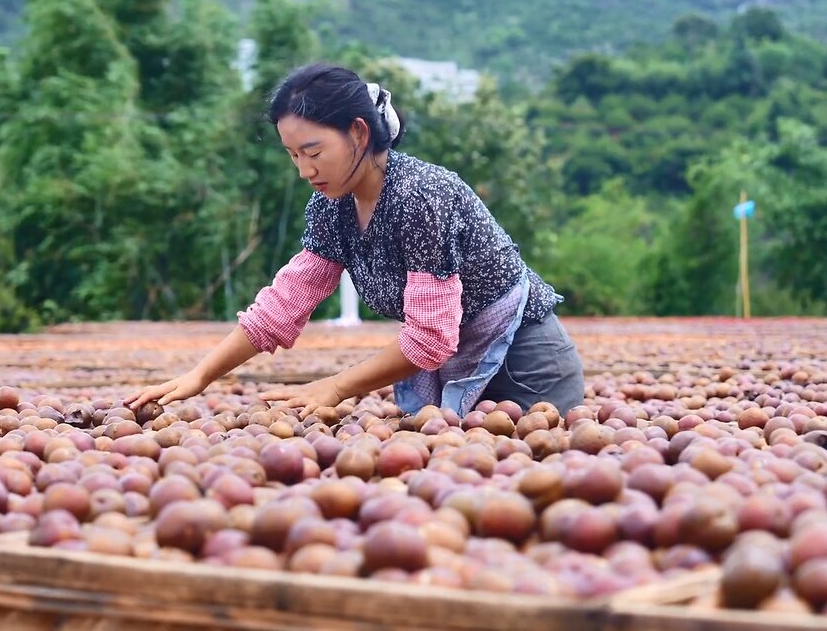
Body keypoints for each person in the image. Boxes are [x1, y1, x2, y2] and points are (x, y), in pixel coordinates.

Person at [124, 63, 584, 418]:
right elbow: (282, 308)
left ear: (358, 133)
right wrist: (200, 375)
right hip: (451, 369)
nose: (304, 171)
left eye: (313, 152)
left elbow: (428, 339)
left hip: (525, 368)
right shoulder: (332, 205)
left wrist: (336, 386)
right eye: (292, 156)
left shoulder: (420, 197)